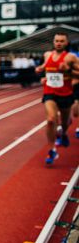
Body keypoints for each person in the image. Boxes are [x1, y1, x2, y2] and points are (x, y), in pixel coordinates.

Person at [35, 32, 78, 164]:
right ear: (53, 42)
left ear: (66, 43)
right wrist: (40, 70)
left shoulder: (71, 58)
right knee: (51, 119)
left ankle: (64, 133)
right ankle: (52, 150)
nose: (59, 43)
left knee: (64, 123)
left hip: (65, 93)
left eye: (62, 41)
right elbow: (45, 68)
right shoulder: (47, 55)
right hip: (50, 92)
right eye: (57, 41)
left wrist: (68, 71)